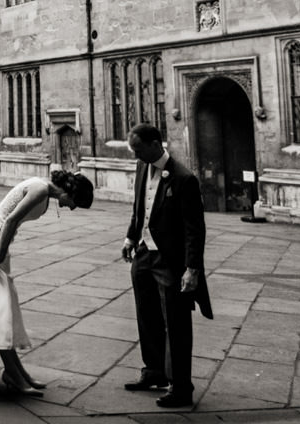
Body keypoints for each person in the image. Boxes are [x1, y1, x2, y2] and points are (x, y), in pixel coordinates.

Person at [0, 170, 94, 395]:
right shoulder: (40, 189)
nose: (71, 208)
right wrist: (0, 255)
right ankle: (14, 374)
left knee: (1, 309)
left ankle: (19, 373)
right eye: (74, 203)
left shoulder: (44, 190)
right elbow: (10, 219)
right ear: (70, 192)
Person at [121, 123, 213, 409]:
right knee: (146, 315)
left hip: (169, 262)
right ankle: (154, 371)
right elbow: (140, 207)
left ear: (155, 144)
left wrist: (192, 268)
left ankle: (181, 387)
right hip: (143, 254)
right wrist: (130, 237)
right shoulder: (141, 168)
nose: (135, 155)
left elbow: (194, 229)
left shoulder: (184, 179)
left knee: (175, 323)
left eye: (137, 149)